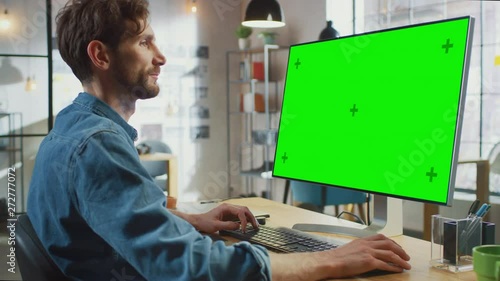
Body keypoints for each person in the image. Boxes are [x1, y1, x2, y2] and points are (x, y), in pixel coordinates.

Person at [27, 0, 411, 280]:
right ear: (101, 55)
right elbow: (189, 266)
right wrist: (333, 260)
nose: (160, 57)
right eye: (144, 43)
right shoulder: (98, 145)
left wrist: (193, 220)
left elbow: (109, 214)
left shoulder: (71, 127)